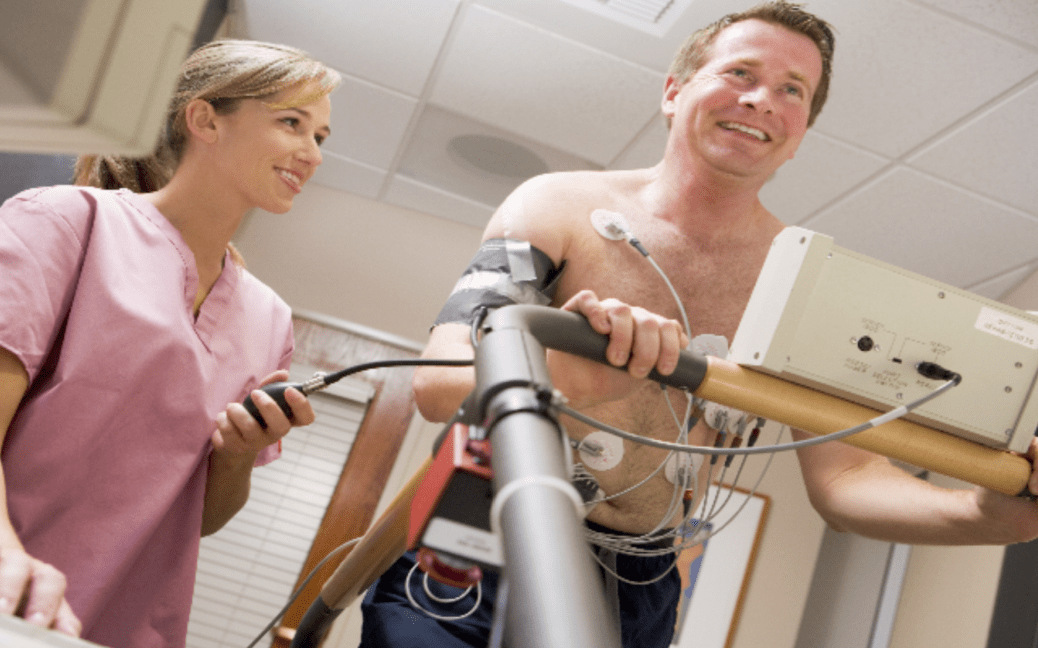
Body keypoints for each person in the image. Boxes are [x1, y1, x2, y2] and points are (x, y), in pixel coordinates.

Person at [358, 2, 1038, 647]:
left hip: (637, 575)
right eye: (739, 73)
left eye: (793, 90)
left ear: (800, 135)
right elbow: (439, 382)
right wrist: (572, 375)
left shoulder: (807, 282)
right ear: (673, 91)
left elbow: (849, 478)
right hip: (483, 524)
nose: (762, 99)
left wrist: (979, 517)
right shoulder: (558, 205)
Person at [0, 39, 340, 647]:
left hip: (124, 631)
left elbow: (200, 519)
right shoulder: (66, 224)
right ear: (205, 119)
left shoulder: (268, 321)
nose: (311, 153)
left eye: (321, 137)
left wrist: (236, 456)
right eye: (292, 122)